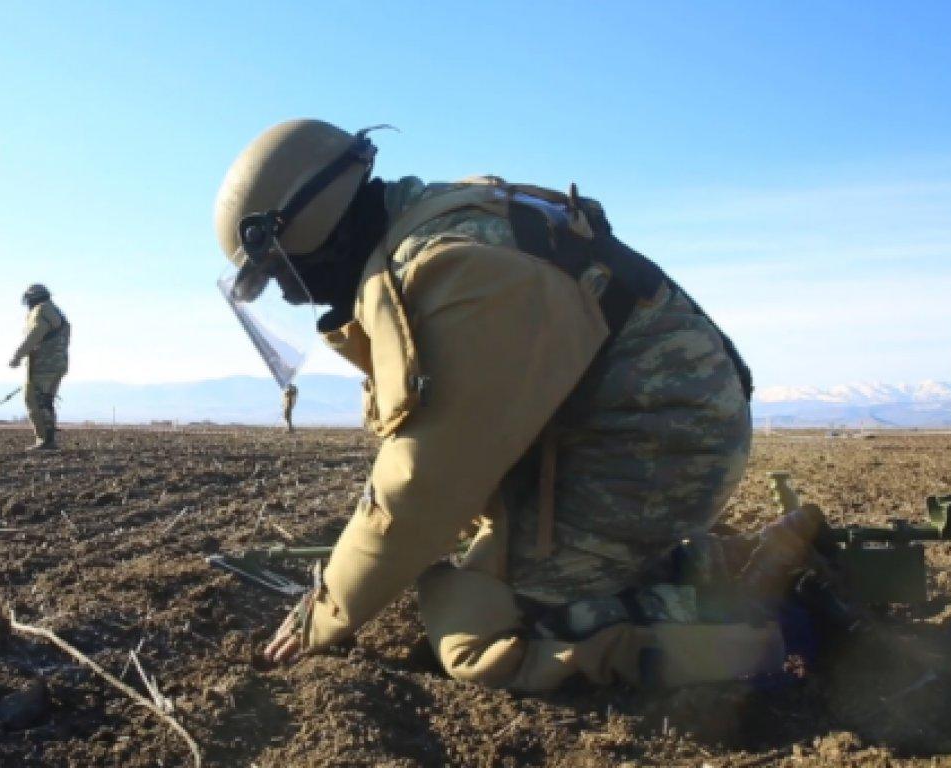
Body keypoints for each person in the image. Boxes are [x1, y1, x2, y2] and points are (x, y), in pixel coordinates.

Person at [213, 120, 784, 692]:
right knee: (488, 559)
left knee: (474, 633)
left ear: (315, 233)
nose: (295, 295)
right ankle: (675, 569)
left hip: (654, 453)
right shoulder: (432, 226)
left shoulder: (451, 267)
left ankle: (754, 642)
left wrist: (327, 611)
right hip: (641, 437)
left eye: (284, 275)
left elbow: (424, 481)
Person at [9, 284, 70, 451]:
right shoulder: (57, 314)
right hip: (59, 365)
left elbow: (34, 335)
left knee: (34, 401)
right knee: (46, 401)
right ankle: (49, 439)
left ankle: (44, 440)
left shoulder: (40, 312)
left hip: (43, 365)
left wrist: (17, 356)